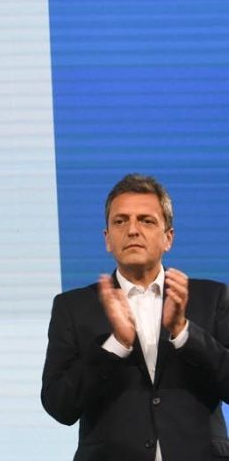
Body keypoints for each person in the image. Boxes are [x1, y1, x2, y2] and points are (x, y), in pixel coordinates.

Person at [41, 173, 229, 461]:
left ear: (168, 238)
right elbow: (59, 405)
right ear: (107, 239)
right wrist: (115, 345)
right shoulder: (73, 306)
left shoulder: (211, 297)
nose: (132, 230)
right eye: (120, 221)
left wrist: (183, 331)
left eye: (146, 220)